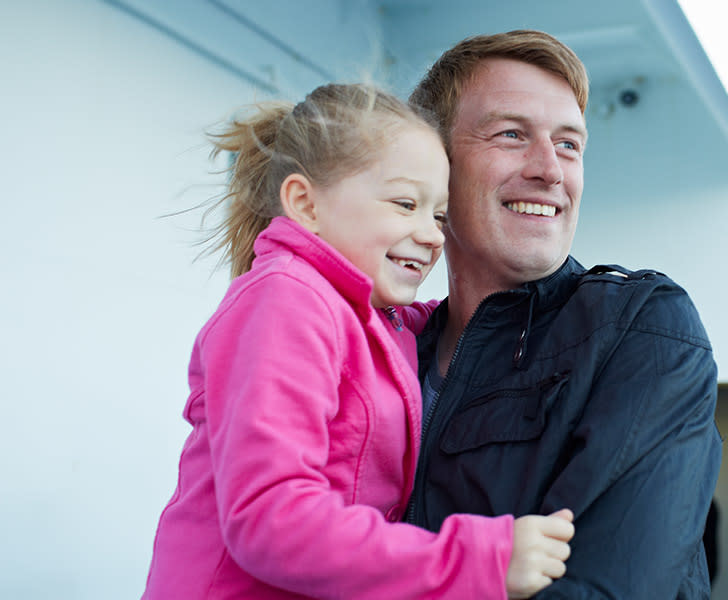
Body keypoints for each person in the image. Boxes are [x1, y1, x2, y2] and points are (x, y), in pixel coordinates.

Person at [142, 83, 574, 599]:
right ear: (305, 204)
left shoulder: (371, 317)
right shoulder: (283, 301)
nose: (435, 234)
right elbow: (272, 520)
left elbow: (445, 320)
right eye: (405, 203)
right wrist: (476, 560)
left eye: (439, 215)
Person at [402, 30, 722, 597]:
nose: (551, 170)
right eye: (511, 134)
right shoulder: (386, 352)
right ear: (434, 164)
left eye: (570, 145)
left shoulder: (641, 328)